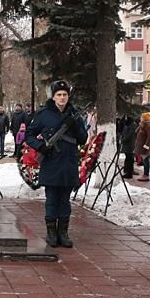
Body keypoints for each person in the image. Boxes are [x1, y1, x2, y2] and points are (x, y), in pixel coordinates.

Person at [25, 80, 88, 248]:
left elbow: (83, 139)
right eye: (59, 95)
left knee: (65, 201)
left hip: (68, 162)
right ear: (53, 97)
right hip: (51, 162)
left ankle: (63, 233)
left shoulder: (74, 114)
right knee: (52, 199)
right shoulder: (44, 114)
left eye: (65, 95)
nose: (62, 98)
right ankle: (51, 233)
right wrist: (41, 147)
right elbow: (29, 135)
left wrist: (75, 127)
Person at [134, 112, 150, 181]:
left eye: (142, 117)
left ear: (145, 118)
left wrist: (146, 146)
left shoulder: (148, 126)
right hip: (141, 146)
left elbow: (149, 138)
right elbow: (136, 132)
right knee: (144, 161)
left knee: (146, 161)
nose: (140, 118)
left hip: (145, 147)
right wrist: (140, 126)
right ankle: (145, 174)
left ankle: (146, 175)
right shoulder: (143, 126)